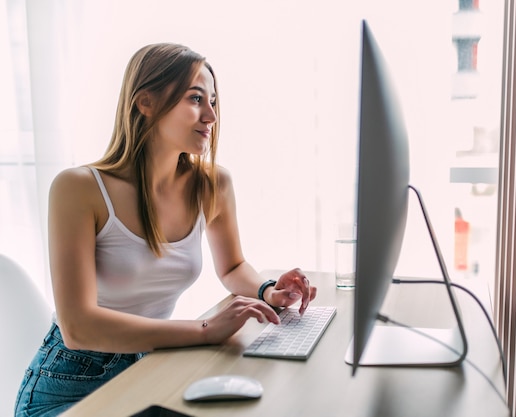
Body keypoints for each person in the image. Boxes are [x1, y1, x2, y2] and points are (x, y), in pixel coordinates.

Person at [14, 43, 317, 417]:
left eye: (214, 102)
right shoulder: (78, 188)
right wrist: (206, 329)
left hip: (148, 366)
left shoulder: (212, 185)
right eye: (195, 98)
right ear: (146, 103)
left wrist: (269, 291)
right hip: (69, 384)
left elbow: (232, 267)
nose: (211, 116)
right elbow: (79, 327)